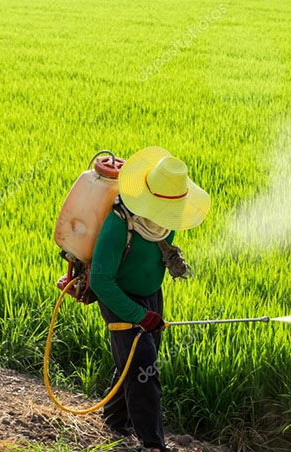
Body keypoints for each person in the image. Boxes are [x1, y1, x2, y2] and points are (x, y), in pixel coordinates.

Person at [89, 146, 210, 451]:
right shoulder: (120, 223)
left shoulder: (165, 221)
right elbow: (100, 280)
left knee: (136, 360)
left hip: (151, 295)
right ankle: (153, 443)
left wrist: (168, 255)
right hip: (120, 297)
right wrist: (137, 315)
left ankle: (115, 421)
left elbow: (152, 247)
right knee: (145, 369)